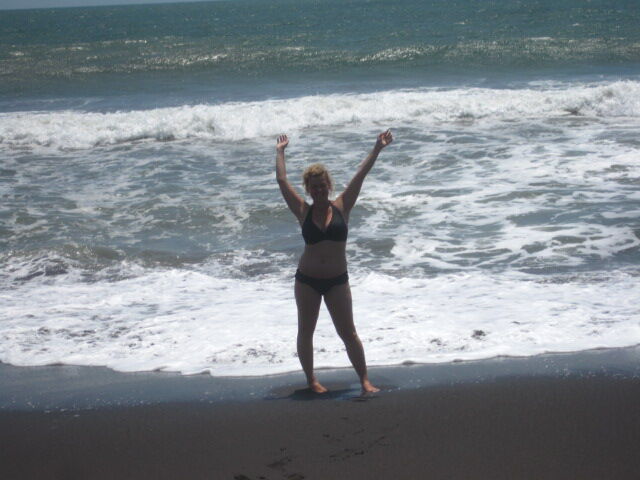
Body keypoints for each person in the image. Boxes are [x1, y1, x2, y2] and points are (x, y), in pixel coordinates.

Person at [275, 130, 393, 393]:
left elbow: (360, 174)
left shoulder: (342, 206)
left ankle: (365, 380)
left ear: (328, 185)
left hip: (337, 281)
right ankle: (312, 381)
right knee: (306, 331)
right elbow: (282, 181)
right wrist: (280, 152)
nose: (318, 190)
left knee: (348, 332)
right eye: (313, 186)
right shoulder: (302, 210)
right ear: (308, 189)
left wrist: (377, 148)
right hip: (307, 281)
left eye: (322, 185)